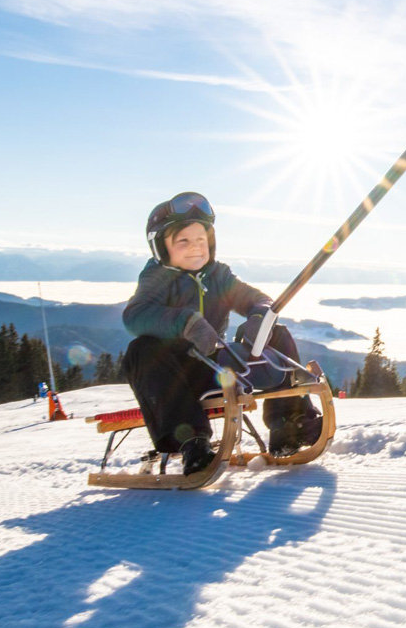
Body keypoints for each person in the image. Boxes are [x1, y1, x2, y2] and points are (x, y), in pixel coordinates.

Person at [121, 191, 324, 474]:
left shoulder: (218, 276)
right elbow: (134, 315)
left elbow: (259, 299)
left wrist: (258, 317)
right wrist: (185, 323)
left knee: (274, 331)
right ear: (161, 248)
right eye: (183, 241)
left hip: (217, 365)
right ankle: (192, 442)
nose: (195, 248)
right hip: (177, 377)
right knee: (140, 350)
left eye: (201, 240)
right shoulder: (156, 278)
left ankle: (289, 425)